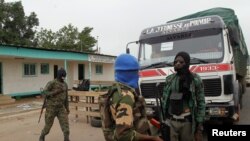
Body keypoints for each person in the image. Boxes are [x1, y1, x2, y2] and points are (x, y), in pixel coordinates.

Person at [102, 54, 163, 141]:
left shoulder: (116, 90)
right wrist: (153, 138)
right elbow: (123, 135)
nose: (138, 75)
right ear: (128, 73)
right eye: (136, 72)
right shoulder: (125, 97)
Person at [162, 51, 205, 141]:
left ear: (187, 63)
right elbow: (165, 100)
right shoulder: (169, 79)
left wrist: (199, 128)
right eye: (176, 62)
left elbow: (201, 102)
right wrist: (164, 119)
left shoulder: (195, 80)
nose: (177, 64)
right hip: (172, 121)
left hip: (187, 123)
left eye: (181, 62)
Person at [39, 68, 70, 141]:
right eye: (62, 77)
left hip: (61, 108)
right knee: (48, 127)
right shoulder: (52, 83)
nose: (63, 78)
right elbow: (43, 93)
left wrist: (67, 108)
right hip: (51, 108)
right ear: (59, 76)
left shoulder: (65, 84)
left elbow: (66, 98)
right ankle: (42, 136)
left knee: (66, 126)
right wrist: (54, 92)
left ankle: (66, 139)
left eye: (64, 77)